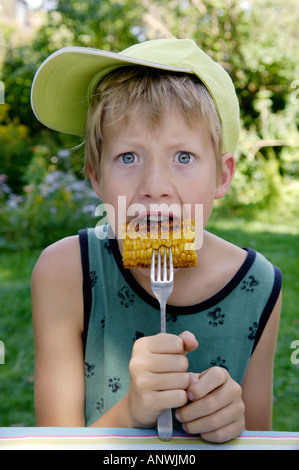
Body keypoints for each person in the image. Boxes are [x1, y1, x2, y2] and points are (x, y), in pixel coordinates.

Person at [31, 38, 282, 443]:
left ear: (222, 176)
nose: (155, 187)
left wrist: (235, 428)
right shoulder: (63, 271)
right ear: (96, 176)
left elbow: (259, 438)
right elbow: (55, 443)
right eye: (128, 157)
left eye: (183, 157)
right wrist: (131, 411)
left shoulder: (259, 285)